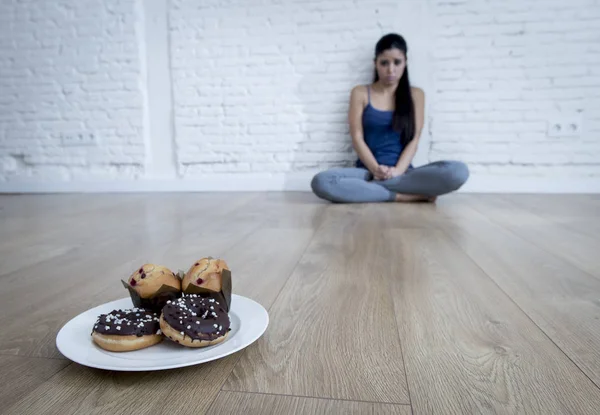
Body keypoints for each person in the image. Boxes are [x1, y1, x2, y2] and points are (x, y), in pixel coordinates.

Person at [310, 33, 469, 203]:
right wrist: (376, 170)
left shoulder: (416, 94)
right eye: (384, 63)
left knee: (458, 171)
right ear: (375, 64)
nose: (390, 70)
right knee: (322, 181)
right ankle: (402, 196)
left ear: (405, 62)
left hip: (404, 174)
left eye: (397, 62)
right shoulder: (361, 92)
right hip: (367, 173)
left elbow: (414, 140)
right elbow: (357, 138)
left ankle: (372, 192)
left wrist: (397, 171)